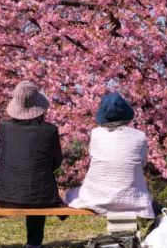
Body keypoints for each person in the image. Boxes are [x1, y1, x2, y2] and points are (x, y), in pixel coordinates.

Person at [0, 81, 64, 248]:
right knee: (37, 187)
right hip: (39, 197)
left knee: (35, 186)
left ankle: (34, 243)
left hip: (4, 194)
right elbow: (56, 162)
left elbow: (0, 155)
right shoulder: (49, 130)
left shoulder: (4, 128)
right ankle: (34, 243)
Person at [66, 92, 157, 220]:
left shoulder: (96, 134)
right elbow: (143, 163)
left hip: (97, 197)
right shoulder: (140, 136)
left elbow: (93, 156)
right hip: (132, 197)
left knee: (72, 194)